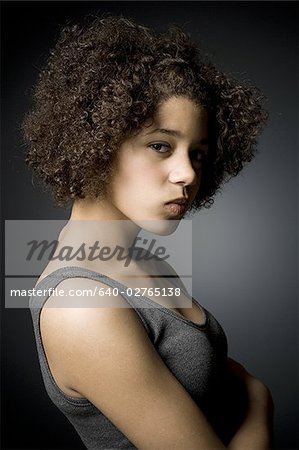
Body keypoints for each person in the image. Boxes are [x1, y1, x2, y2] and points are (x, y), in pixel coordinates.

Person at [23, 14, 274, 449]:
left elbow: (204, 371)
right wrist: (259, 400)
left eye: (197, 154)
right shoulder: (79, 307)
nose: (186, 174)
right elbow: (237, 385)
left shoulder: (138, 258)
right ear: (98, 139)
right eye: (161, 145)